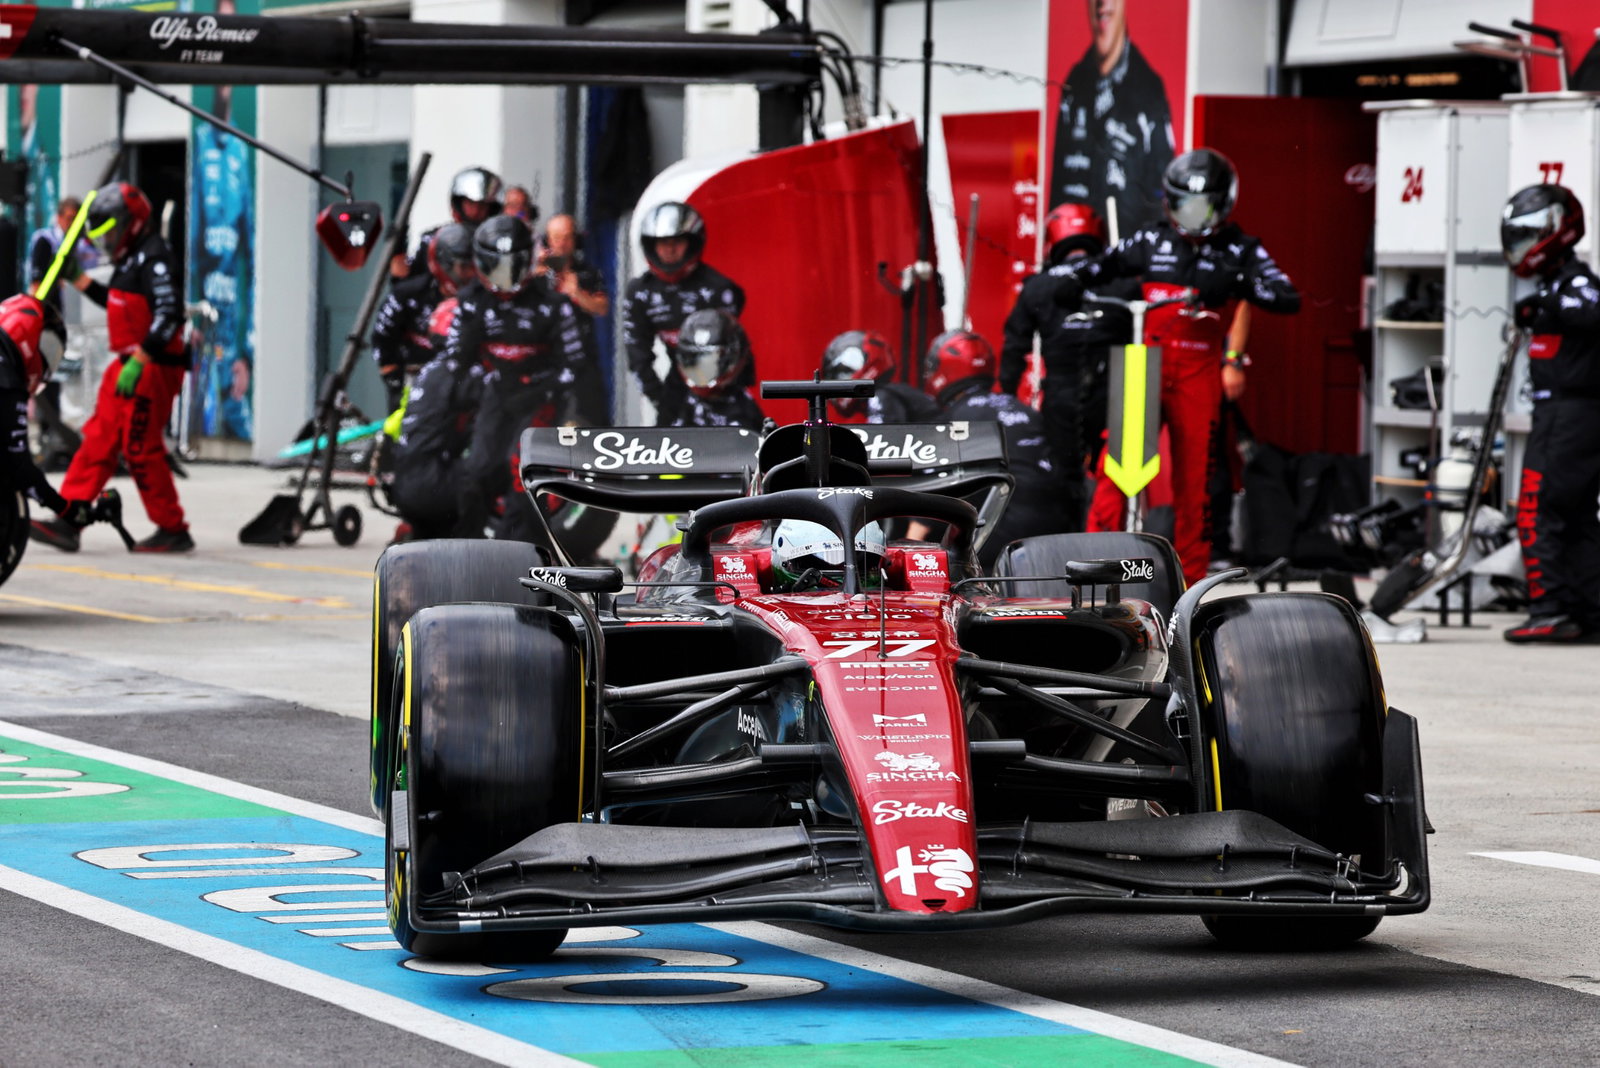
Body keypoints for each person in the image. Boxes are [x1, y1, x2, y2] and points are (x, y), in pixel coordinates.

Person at [1055, 148, 1301, 585]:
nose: (1191, 216)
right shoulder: (1151, 240)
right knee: (1118, 471)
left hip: (1198, 371)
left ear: (1222, 204)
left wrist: (1240, 281)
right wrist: (1066, 279)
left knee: (1196, 487)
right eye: (1182, 205)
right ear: (1169, 202)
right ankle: (1091, 569)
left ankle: (1189, 583)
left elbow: (1287, 296)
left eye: (1200, 206)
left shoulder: (1240, 249)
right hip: (1144, 362)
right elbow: (1098, 266)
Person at [30, 182, 195, 554]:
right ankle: (70, 519)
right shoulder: (130, 259)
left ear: (132, 223)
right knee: (98, 442)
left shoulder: (155, 256)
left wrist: (140, 360)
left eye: (110, 230)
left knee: (140, 448)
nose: (106, 240)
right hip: (125, 366)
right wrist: (79, 278)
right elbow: (119, 302)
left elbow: (169, 314)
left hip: (150, 367)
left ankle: (173, 528)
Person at [1499, 184, 1600, 643]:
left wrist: (1547, 305)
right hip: (1564, 415)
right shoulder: (1553, 287)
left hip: (1569, 415)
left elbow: (1593, 311)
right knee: (1575, 517)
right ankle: (1586, 610)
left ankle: (1551, 608)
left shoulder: (1575, 283)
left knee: (1536, 510)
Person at [444, 214, 585, 537]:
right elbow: (456, 361)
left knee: (521, 471)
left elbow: (575, 365)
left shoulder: (554, 305)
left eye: (512, 268)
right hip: (491, 399)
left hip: (539, 400)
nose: (505, 279)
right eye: (497, 268)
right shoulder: (469, 303)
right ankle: (467, 546)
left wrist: (542, 389)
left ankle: (523, 553)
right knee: (477, 470)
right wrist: (487, 384)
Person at [999, 202, 1137, 529]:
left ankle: (1067, 541)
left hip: (1061, 393)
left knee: (1064, 474)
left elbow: (1014, 348)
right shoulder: (1123, 282)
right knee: (1118, 475)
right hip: (1116, 392)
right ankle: (1113, 539)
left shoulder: (1036, 286)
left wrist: (1007, 397)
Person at [924, 329, 1072, 566]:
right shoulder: (1022, 408)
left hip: (1005, 524)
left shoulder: (955, 418)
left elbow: (932, 492)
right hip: (1058, 520)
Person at [1049, 0, 1176, 236]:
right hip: (1077, 250)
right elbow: (1058, 188)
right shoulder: (1074, 83)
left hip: (1126, 260)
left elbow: (1163, 196)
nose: (1101, 5)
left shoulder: (1148, 89)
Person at [623, 200, 745, 426]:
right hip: (675, 386)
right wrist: (658, 397)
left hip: (723, 387)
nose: (670, 250)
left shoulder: (720, 289)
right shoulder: (640, 292)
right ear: (651, 245)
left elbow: (732, 352)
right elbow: (636, 352)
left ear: (692, 242)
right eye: (662, 243)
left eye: (677, 241)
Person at [0, 294, 113, 532]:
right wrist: (65, 509)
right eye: (48, 348)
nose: (47, 359)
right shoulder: (7, 379)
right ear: (25, 331)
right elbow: (19, 467)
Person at [371, 221, 474, 411]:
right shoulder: (406, 295)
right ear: (444, 264)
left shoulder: (483, 296)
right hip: (414, 382)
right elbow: (382, 340)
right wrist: (395, 387)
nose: (468, 274)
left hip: (469, 386)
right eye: (462, 266)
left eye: (473, 266)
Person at [541, 213, 610, 424]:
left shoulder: (587, 273)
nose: (561, 244)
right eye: (556, 237)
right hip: (545, 359)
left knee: (581, 423)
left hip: (580, 361)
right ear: (548, 240)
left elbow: (602, 307)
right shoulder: (538, 275)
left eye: (567, 237)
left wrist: (576, 292)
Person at [397, 165, 503, 279]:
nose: (476, 211)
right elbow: (404, 278)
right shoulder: (434, 239)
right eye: (470, 203)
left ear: (492, 208)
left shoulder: (501, 243)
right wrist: (397, 246)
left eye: (482, 205)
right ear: (458, 203)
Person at [820, 330, 938, 424]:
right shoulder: (893, 392)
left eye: (844, 372)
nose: (840, 380)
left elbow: (885, 444)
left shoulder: (880, 396)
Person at [671, 309, 764, 428]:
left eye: (708, 362)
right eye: (692, 361)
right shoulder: (676, 396)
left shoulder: (744, 415)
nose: (700, 374)